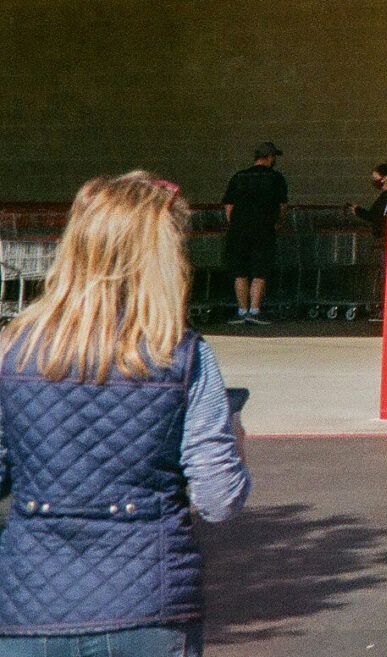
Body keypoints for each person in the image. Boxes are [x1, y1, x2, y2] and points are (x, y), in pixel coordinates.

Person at [0, 173, 250, 655]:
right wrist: (235, 445)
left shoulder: (12, 351)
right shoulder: (184, 356)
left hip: (27, 607)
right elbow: (219, 499)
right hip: (147, 603)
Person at [218, 143, 288, 325]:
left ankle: (241, 310)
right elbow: (282, 206)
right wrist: (278, 223)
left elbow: (228, 205)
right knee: (260, 270)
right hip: (263, 229)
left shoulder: (239, 176)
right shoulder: (276, 178)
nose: (275, 160)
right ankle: (255, 310)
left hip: (239, 230)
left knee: (239, 271)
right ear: (269, 156)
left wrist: (233, 223)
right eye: (274, 157)